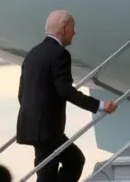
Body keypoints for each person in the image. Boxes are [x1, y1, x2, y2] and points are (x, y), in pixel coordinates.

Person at [16, 10, 118, 182]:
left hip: (31, 124)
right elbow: (65, 90)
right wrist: (99, 105)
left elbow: (22, 92)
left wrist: (34, 114)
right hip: (48, 128)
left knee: (66, 163)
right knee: (60, 167)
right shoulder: (59, 54)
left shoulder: (32, 54)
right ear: (63, 28)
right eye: (72, 28)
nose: (74, 33)